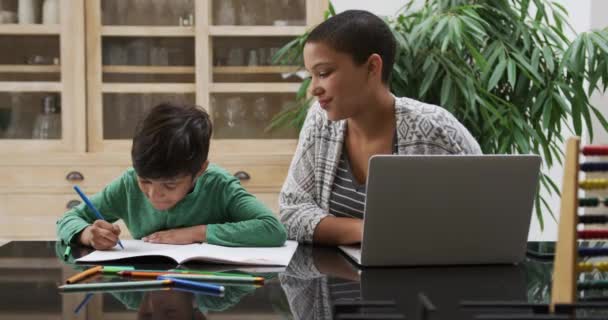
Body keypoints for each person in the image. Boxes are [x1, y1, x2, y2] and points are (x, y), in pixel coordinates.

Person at [279, 10, 482, 245]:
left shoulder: (435, 130)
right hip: (334, 277)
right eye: (311, 76)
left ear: (372, 67)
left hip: (422, 279)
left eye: (323, 73)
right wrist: (368, 231)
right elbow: (292, 211)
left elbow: (481, 218)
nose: (313, 88)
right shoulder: (319, 120)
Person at [57, 103, 287, 249]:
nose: (154, 194)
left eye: (170, 184)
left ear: (199, 170)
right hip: (147, 279)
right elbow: (67, 220)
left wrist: (196, 234)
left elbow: (272, 229)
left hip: (208, 283)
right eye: (145, 180)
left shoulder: (219, 185)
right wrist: (88, 234)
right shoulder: (128, 184)